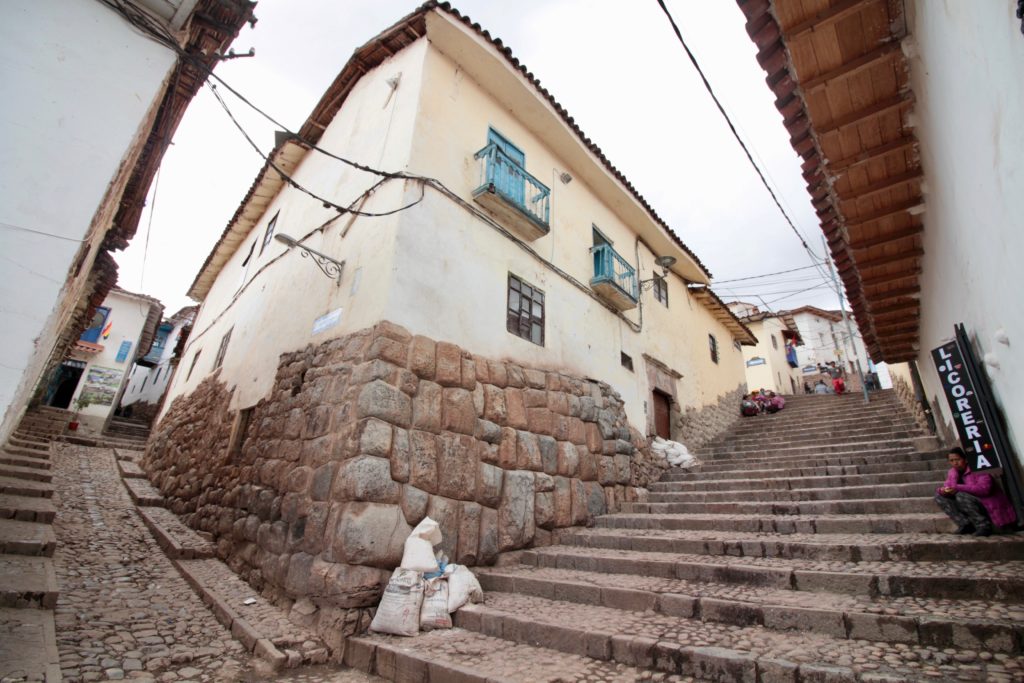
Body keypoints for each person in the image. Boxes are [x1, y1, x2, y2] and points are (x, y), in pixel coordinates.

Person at [934, 447, 1017, 536]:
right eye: (951, 460)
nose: (955, 463)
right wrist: (943, 490)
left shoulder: (978, 469)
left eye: (957, 459)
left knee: (960, 495)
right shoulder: (953, 473)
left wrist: (958, 487)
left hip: (986, 503)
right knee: (939, 496)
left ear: (965, 460)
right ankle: (965, 524)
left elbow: (984, 489)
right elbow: (948, 486)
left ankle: (983, 526)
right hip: (968, 503)